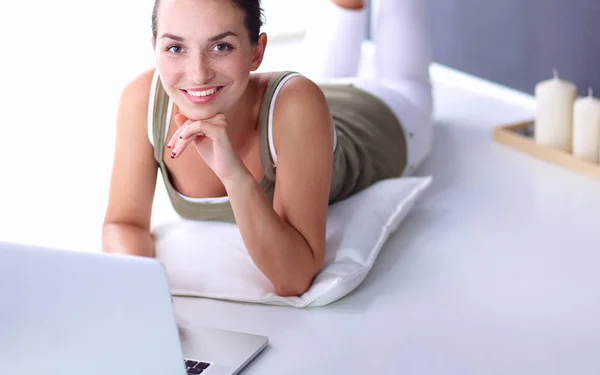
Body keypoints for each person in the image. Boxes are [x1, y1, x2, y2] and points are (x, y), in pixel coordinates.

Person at [102, 0, 433, 297]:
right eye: (175, 48)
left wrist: (234, 175)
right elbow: (123, 224)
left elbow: (294, 279)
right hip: (305, 114)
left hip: (381, 118)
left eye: (221, 46)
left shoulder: (298, 105)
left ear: (257, 52)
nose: (198, 74)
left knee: (401, 53)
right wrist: (142, 298)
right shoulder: (142, 99)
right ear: (155, 48)